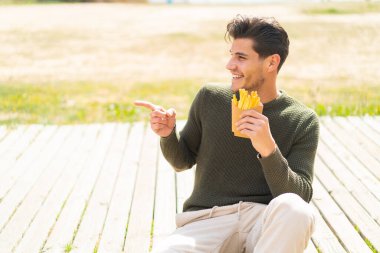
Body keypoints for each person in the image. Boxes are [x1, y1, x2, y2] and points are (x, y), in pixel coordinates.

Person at [135, 16, 319, 253]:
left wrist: (268, 149)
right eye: (232, 54)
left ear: (271, 63)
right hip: (207, 221)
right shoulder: (211, 97)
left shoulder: (301, 119)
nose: (230, 65)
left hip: (262, 223)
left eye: (241, 58)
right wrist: (168, 134)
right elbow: (182, 161)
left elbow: (299, 196)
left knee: (296, 209)